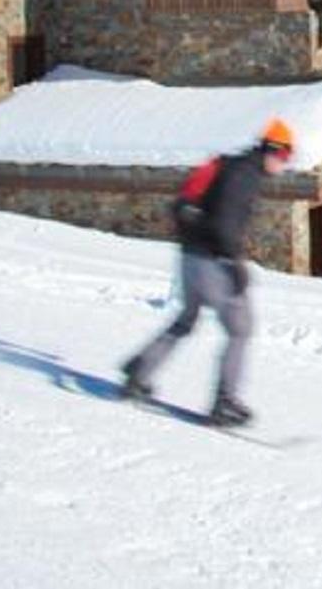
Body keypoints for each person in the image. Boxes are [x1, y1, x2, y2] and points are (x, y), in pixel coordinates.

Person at [120, 118, 296, 426]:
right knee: (240, 329)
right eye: (285, 157)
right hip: (213, 260)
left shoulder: (230, 165)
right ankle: (225, 402)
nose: (285, 164)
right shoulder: (245, 176)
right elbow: (225, 224)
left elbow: (192, 205)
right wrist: (234, 264)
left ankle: (140, 371)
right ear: (274, 151)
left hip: (190, 255)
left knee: (186, 320)